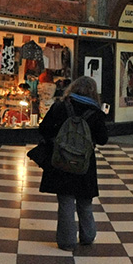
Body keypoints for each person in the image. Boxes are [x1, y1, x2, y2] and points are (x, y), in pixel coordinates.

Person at [37, 75, 108, 250]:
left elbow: (43, 129)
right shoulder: (96, 112)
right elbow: (103, 139)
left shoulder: (60, 106)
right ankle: (88, 236)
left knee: (66, 201)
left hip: (61, 160)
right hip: (84, 163)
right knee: (85, 200)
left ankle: (67, 241)